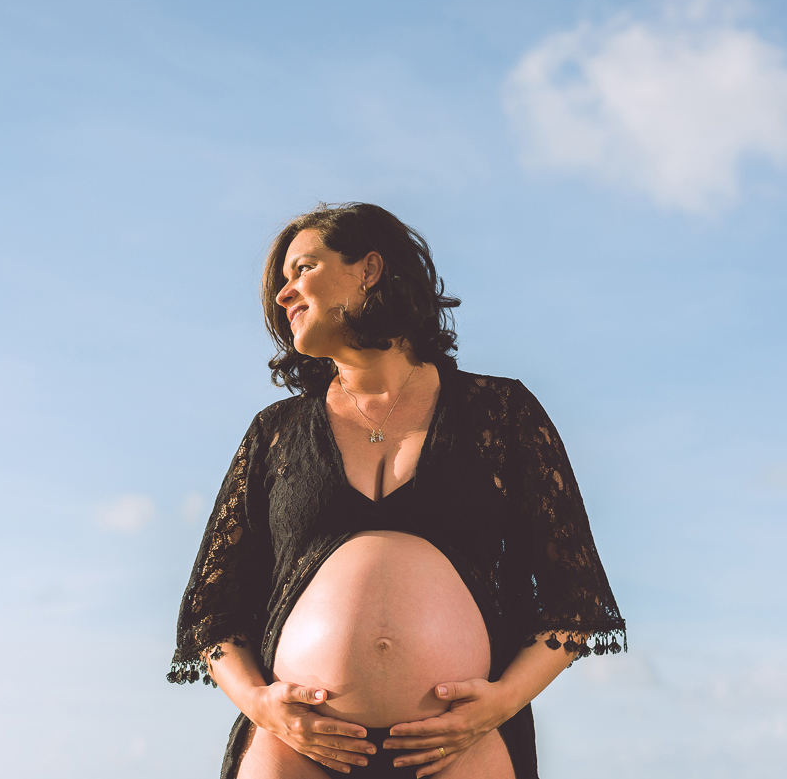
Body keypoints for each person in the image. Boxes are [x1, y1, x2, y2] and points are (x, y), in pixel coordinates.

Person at [168, 203, 625, 779]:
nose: (284, 295)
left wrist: (501, 703)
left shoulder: (501, 413)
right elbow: (213, 613)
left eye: (303, 269)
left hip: (461, 749)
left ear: (370, 269)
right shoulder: (275, 434)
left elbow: (574, 599)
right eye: (279, 285)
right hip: (294, 752)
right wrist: (262, 706)